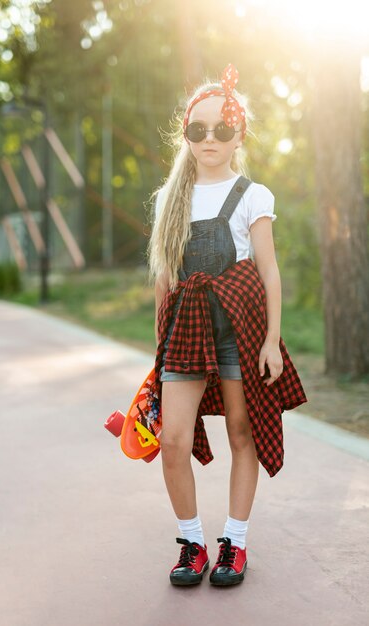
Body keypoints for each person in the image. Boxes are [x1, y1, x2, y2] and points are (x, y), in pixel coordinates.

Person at [147, 63, 307, 587]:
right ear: (187, 135)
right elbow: (165, 277)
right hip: (184, 329)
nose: (210, 138)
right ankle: (191, 541)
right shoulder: (173, 197)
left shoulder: (252, 195)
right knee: (172, 439)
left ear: (239, 134)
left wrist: (270, 341)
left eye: (222, 128)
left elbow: (268, 271)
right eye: (198, 129)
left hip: (239, 326)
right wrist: (157, 347)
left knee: (243, 431)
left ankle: (233, 543)